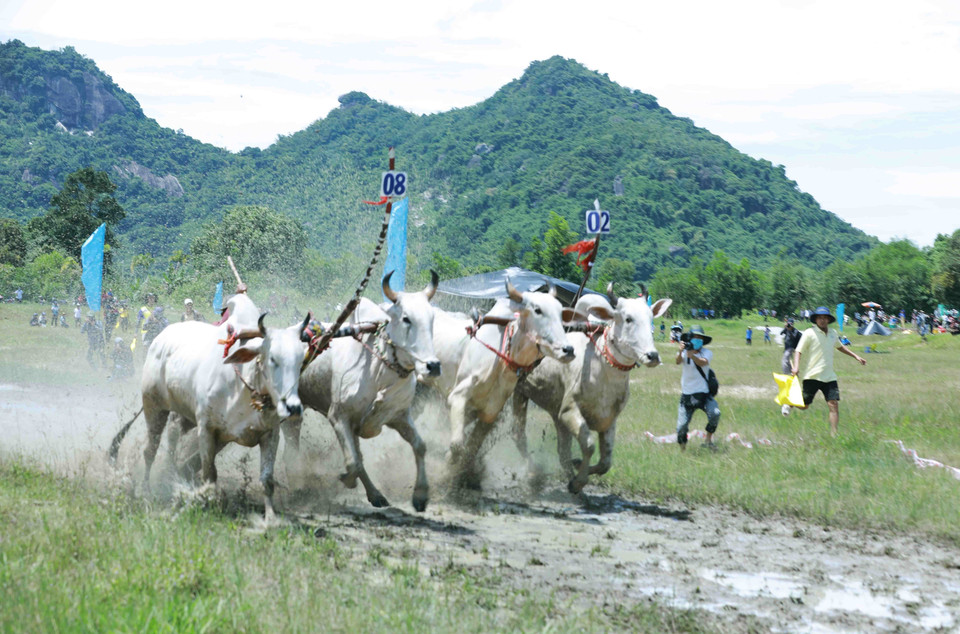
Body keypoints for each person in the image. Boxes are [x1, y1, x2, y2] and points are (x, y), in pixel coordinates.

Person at [785, 306, 866, 436]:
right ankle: (791, 402)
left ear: (828, 319)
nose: (822, 320)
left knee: (833, 404)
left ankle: (834, 434)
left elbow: (840, 347)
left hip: (829, 377)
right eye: (819, 318)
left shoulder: (833, 333)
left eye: (824, 318)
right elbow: (798, 350)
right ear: (815, 320)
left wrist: (856, 356)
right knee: (804, 406)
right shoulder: (809, 333)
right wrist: (795, 367)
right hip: (812, 375)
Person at [675, 325, 720, 451]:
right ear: (689, 339)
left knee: (715, 414)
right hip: (687, 395)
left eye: (700, 338)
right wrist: (680, 351)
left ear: (703, 341)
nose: (697, 340)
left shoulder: (707, 352)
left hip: (704, 394)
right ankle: (682, 449)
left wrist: (692, 356)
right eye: (694, 338)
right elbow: (677, 361)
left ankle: (708, 440)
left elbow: (703, 362)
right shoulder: (684, 352)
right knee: (681, 427)